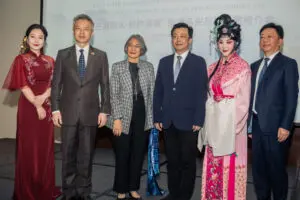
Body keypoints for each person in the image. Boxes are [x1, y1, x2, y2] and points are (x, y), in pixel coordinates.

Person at [51, 14, 111, 200]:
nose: (82, 32)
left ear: (92, 32)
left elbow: (105, 85)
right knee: (68, 156)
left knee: (86, 156)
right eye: (78, 28)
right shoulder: (63, 54)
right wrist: (55, 109)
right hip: (67, 113)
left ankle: (84, 192)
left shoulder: (100, 55)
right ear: (73, 31)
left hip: (91, 113)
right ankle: (68, 192)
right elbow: (56, 84)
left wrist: (104, 110)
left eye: (86, 29)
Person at [2, 24, 61, 200]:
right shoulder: (21, 59)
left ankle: (44, 188)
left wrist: (43, 99)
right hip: (29, 108)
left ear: (44, 41)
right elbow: (22, 84)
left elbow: (55, 84)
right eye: (33, 36)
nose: (36, 40)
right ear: (26, 39)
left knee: (45, 149)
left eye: (40, 37)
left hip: (47, 105)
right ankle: (27, 191)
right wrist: (37, 105)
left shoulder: (51, 60)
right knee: (29, 149)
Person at [198, 14, 251, 200]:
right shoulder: (212, 67)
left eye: (229, 41)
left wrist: (229, 127)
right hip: (214, 127)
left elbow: (243, 103)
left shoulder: (243, 67)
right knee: (213, 167)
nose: (224, 46)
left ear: (235, 42)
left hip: (231, 129)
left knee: (229, 169)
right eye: (221, 42)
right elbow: (208, 97)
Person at [153, 22, 208, 200]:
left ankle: (184, 196)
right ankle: (174, 194)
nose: (178, 39)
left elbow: (201, 93)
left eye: (182, 36)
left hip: (189, 121)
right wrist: (157, 116)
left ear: (190, 40)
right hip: (168, 121)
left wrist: (199, 119)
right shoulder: (164, 62)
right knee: (172, 162)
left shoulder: (198, 62)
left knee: (187, 163)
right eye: (175, 36)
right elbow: (158, 92)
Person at [248, 22, 299, 200]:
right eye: (262, 37)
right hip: (255, 126)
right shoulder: (254, 66)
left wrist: (286, 126)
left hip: (277, 129)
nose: (265, 40)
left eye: (270, 37)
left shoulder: (288, 64)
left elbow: (291, 98)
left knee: (276, 172)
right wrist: (248, 126)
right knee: (259, 172)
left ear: (280, 41)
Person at [108, 34, 155, 200]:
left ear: (142, 50)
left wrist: (152, 119)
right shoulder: (117, 67)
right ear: (126, 48)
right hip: (123, 115)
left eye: (137, 45)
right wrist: (117, 119)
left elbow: (151, 95)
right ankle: (121, 188)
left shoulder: (148, 67)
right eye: (130, 45)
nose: (133, 48)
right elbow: (113, 95)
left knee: (137, 154)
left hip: (143, 114)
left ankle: (133, 187)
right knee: (122, 154)